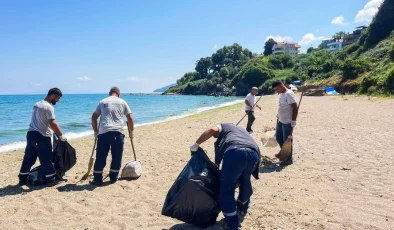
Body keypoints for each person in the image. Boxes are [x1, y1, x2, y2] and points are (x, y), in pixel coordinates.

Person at [190, 123, 260, 230]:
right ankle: (242, 207)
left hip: (235, 152)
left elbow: (212, 130)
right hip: (253, 153)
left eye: (216, 136)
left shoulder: (223, 126)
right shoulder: (241, 130)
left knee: (226, 189)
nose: (215, 137)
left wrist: (196, 144)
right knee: (245, 180)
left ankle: (231, 223)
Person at [18, 88, 67, 185]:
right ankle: (51, 180)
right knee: (46, 158)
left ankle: (22, 178)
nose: (58, 101)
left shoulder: (37, 104)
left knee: (29, 157)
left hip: (31, 134)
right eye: (57, 98)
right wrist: (61, 135)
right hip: (42, 136)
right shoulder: (48, 107)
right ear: (53, 95)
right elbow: (52, 123)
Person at [91, 86, 134, 185]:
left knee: (101, 156)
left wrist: (95, 131)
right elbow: (130, 118)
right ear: (118, 94)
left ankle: (97, 179)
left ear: (110, 93)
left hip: (103, 132)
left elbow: (94, 117)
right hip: (117, 132)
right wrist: (131, 132)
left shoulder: (103, 101)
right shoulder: (123, 102)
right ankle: (113, 177)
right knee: (116, 156)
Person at [272, 80, 298, 166]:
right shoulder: (282, 94)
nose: (277, 91)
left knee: (286, 141)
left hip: (287, 121)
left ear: (281, 85)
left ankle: (289, 158)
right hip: (281, 121)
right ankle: (284, 154)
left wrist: (293, 121)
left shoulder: (289, 94)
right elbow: (281, 106)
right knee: (279, 138)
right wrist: (278, 115)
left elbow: (295, 108)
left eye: (277, 89)